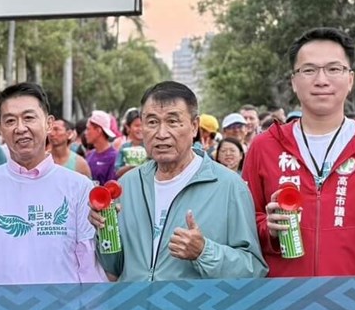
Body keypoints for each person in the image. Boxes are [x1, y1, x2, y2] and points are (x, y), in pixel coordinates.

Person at [243, 27, 355, 277]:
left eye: (333, 69)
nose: (321, 80)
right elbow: (242, 227)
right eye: (309, 70)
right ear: (294, 82)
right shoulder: (265, 146)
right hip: (282, 301)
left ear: (350, 79)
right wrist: (268, 229)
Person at [89, 81, 266, 282]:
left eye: (173, 122)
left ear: (194, 127)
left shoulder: (228, 186)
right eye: (152, 122)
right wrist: (104, 231)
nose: (161, 134)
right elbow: (114, 267)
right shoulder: (128, 185)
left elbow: (253, 269)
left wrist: (204, 252)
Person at [0, 82, 106, 285]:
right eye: (10, 121)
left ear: (48, 123)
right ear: (0, 129)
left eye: (29, 117)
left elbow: (88, 268)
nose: (20, 128)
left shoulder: (78, 186)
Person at [85, 110, 118, 186]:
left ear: (98, 130)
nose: (85, 133)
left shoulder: (114, 157)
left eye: (88, 129)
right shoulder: (89, 155)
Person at [115, 109, 147, 179]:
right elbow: (117, 172)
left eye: (143, 125)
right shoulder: (124, 148)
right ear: (128, 127)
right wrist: (132, 166)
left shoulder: (149, 147)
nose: (140, 129)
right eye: (137, 125)